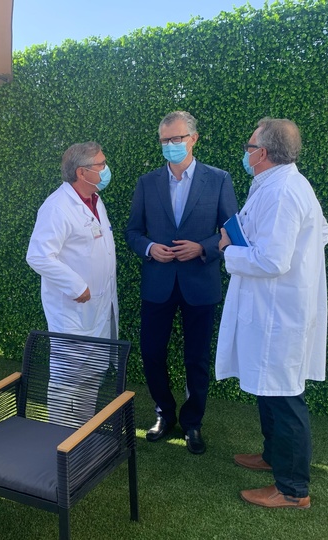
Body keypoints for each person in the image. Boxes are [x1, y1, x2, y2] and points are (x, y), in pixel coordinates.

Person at [216, 118, 328, 509]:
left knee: (285, 397)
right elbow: (321, 233)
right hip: (271, 308)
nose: (246, 154)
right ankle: (272, 457)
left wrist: (228, 248)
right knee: (270, 390)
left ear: (262, 153)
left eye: (249, 148)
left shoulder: (283, 191)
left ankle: (293, 490)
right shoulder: (276, 184)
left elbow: (273, 260)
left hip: (279, 314)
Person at [125, 111, 238, 454]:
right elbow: (131, 231)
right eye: (165, 140)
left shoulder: (218, 179)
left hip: (199, 283)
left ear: (193, 139)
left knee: (196, 358)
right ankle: (164, 413)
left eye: (177, 139)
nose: (171, 145)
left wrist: (202, 248)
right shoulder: (147, 182)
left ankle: (192, 423)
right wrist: (148, 248)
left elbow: (231, 232)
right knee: (152, 353)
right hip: (158, 282)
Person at [26, 142, 118, 425]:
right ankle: (61, 440)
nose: (106, 170)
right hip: (73, 311)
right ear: (82, 172)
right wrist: (76, 286)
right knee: (68, 381)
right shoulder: (57, 206)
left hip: (100, 308)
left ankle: (81, 431)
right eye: (100, 165)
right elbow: (38, 256)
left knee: (91, 374)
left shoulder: (95, 200)